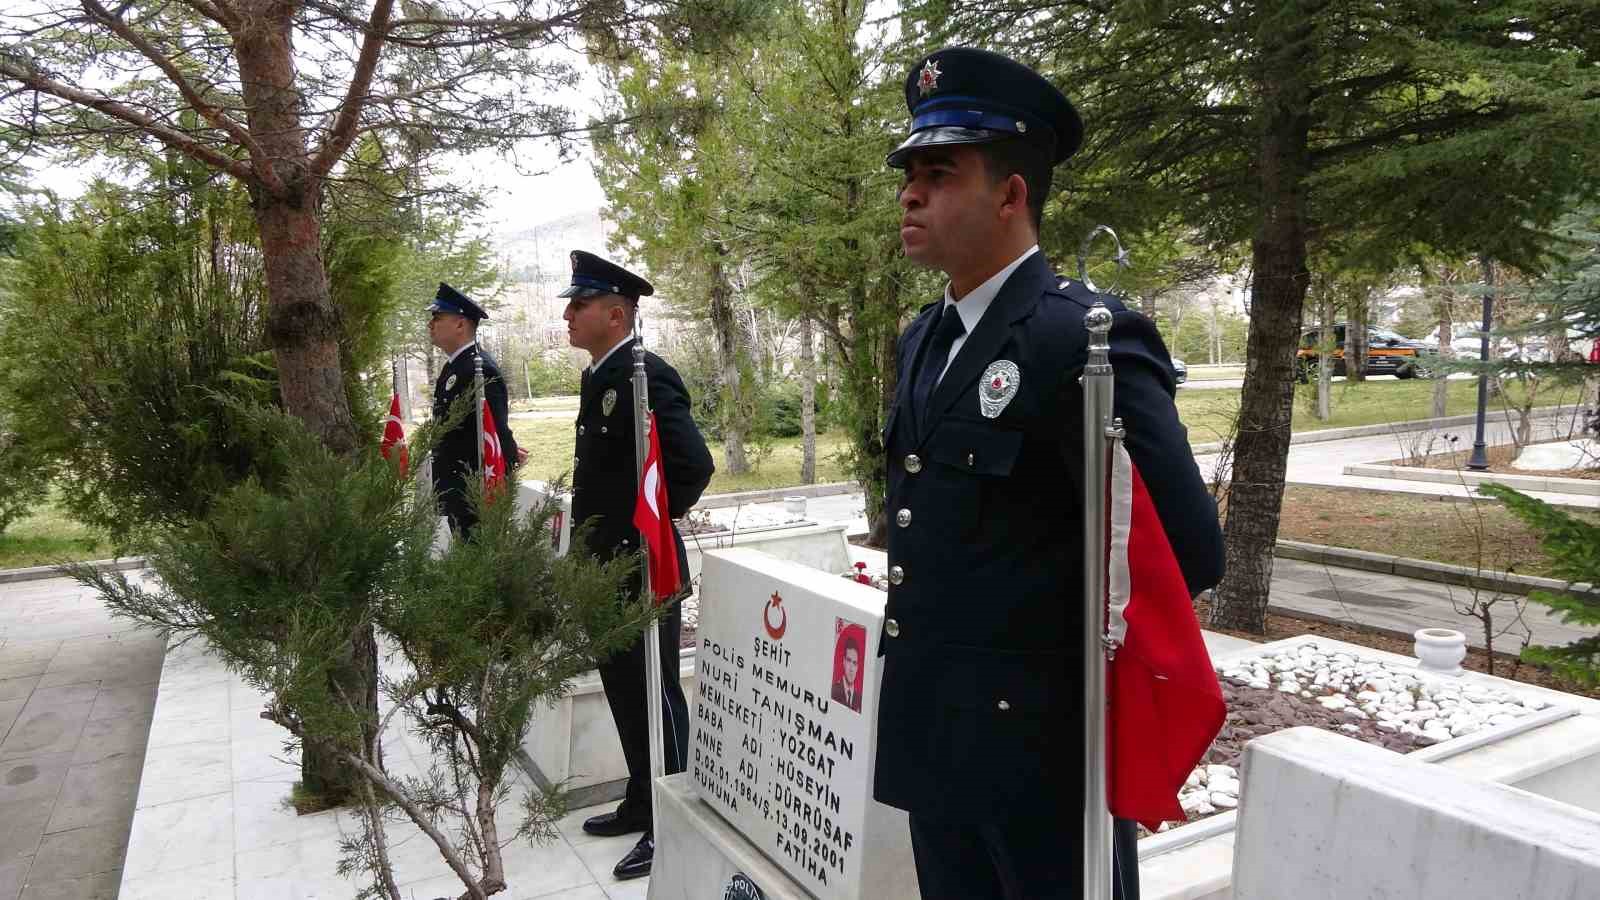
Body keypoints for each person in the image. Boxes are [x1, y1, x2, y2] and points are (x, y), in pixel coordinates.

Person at [872, 47, 1226, 900]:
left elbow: (1184, 550)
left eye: (939, 172)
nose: (910, 193)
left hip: (1040, 751)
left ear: (1010, 193)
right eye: (909, 173)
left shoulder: (1083, 340)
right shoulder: (925, 338)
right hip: (936, 729)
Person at [561, 251, 715, 881]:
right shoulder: (602, 375)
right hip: (605, 568)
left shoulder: (643, 375)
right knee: (624, 689)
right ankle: (640, 797)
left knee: (654, 693)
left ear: (616, 312)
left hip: (639, 566)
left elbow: (691, 464)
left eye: (579, 304)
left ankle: (670, 819)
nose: (568, 315)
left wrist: (640, 533)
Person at [427, 283, 524, 536]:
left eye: (437, 318)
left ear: (460, 324)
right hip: (459, 490)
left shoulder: (479, 369)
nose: (430, 324)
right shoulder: (455, 366)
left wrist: (508, 458)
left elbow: (496, 430)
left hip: (478, 493)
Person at [831, 635, 863, 713]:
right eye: (849, 660)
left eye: (854, 663)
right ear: (844, 661)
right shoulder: (834, 690)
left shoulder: (860, 699)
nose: (851, 668)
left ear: (857, 667)